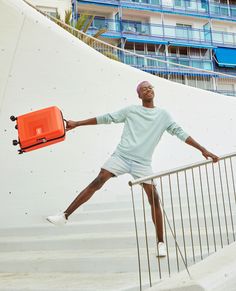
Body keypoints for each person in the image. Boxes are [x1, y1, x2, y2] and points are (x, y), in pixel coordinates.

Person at [46, 81, 219, 257]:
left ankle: (160, 243)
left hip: (142, 163)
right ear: (139, 95)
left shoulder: (163, 115)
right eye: (144, 89)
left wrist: (202, 149)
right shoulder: (131, 111)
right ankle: (64, 216)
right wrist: (77, 123)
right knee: (98, 181)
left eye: (150, 87)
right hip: (121, 156)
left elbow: (180, 133)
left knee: (154, 197)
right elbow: (107, 118)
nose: (148, 90)